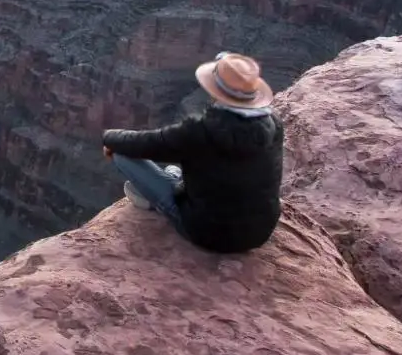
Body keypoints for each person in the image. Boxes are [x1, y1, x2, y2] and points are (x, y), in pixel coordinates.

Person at [101, 51, 283, 253]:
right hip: (260, 232)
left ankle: (158, 201)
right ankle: (171, 182)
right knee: (174, 169)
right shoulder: (274, 124)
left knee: (120, 152)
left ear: (216, 92)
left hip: (206, 232)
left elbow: (146, 144)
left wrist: (109, 137)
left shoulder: (200, 131)